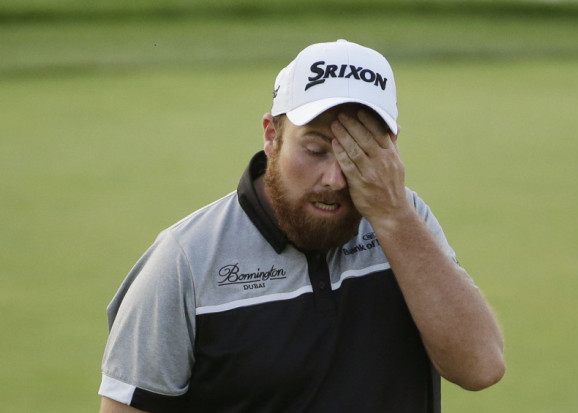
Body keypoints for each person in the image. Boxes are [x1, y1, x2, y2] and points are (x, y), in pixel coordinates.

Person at [98, 39, 505, 413]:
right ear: (271, 136)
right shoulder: (185, 259)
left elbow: (480, 366)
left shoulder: (406, 220)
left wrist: (395, 217)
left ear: (391, 148)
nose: (335, 179)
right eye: (315, 149)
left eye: (357, 152)